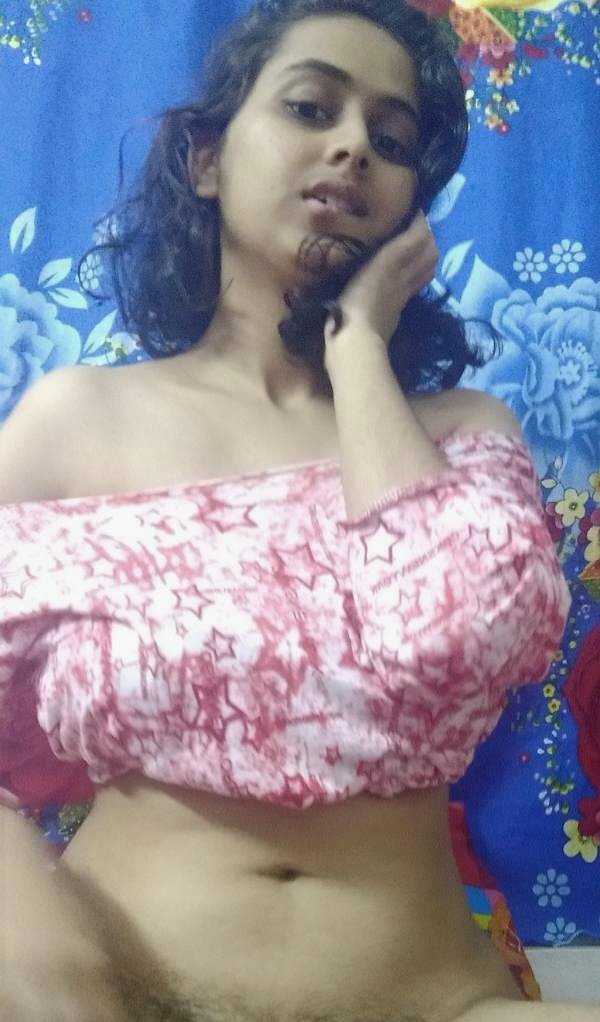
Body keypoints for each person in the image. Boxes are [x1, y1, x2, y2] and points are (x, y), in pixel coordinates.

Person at [0, 1, 591, 1019]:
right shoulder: (72, 422)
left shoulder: (461, 432)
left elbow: (453, 632)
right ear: (207, 160)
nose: (354, 146)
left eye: (392, 141)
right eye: (312, 107)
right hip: (115, 996)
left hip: (432, 1001)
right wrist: (29, 933)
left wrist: (358, 346)